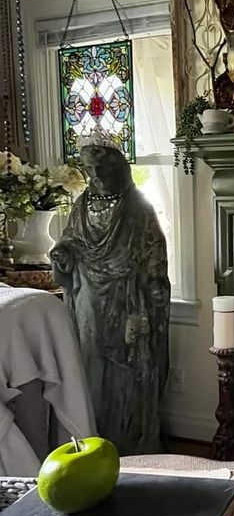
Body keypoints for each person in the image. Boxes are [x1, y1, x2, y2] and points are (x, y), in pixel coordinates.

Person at [50, 127, 170, 454]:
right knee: (92, 364)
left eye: (102, 167)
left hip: (130, 297)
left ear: (117, 165)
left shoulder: (137, 207)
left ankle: (134, 442)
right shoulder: (82, 205)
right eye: (89, 169)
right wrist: (63, 253)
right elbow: (71, 240)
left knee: (131, 369)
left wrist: (155, 284)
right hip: (89, 293)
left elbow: (153, 250)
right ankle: (96, 438)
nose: (97, 175)